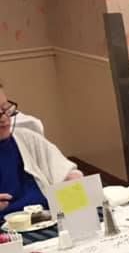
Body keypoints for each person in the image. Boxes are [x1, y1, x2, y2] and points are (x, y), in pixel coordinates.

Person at [0, 82, 82, 217]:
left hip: (48, 217)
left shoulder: (28, 139)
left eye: (6, 108)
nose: (4, 118)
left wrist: (72, 182)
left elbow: (65, 172)